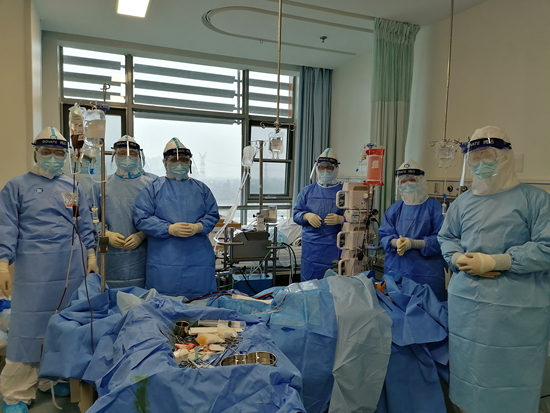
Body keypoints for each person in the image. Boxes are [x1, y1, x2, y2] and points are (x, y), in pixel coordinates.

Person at [438, 126, 550, 413]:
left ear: (505, 156)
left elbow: (547, 247)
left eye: (486, 156)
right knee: (468, 369)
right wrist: (456, 257)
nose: (479, 164)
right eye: (473, 158)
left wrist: (498, 261)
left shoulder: (535, 200)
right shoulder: (463, 202)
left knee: (509, 378)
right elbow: (446, 237)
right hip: (466, 306)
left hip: (514, 311)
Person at [0, 127, 97, 413]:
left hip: (71, 267)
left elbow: (83, 224)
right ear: (36, 153)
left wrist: (91, 254)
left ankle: (53, 378)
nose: (53, 158)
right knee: (27, 328)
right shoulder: (17, 186)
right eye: (47, 152)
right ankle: (16, 393)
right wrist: (2, 263)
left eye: (58, 153)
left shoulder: (73, 187)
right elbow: (6, 226)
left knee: (65, 324)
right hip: (34, 268)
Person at [133, 138, 219, 299]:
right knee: (163, 303)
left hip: (198, 259)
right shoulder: (153, 188)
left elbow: (212, 214)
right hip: (165, 259)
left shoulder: (201, 189)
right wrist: (168, 228)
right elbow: (141, 217)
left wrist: (199, 227)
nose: (179, 164)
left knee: (201, 302)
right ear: (165, 162)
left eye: (183, 160)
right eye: (174, 160)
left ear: (190, 163)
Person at [378, 160, 447, 301]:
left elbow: (443, 239)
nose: (407, 184)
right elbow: (384, 235)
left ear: (421, 181)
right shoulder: (394, 209)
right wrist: (395, 242)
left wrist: (414, 243)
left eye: (412, 180)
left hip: (427, 275)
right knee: (395, 309)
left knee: (427, 309)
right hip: (395, 272)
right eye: (403, 181)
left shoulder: (436, 209)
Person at [103, 136, 154, 288]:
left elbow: (160, 217)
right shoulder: (103, 185)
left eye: (132, 153)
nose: (127, 157)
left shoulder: (151, 185)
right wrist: (106, 233)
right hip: (112, 257)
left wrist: (142, 234)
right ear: (114, 156)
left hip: (144, 254)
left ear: (139, 156)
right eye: (122, 153)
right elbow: (90, 218)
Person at [293, 148, 345, 281]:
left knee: (332, 286)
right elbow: (296, 214)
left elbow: (356, 220)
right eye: (322, 167)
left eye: (329, 168)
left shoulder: (344, 192)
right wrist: (306, 216)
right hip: (311, 251)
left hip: (334, 249)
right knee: (309, 285)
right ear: (317, 168)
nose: (325, 171)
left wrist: (342, 219)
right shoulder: (307, 191)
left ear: (336, 169)